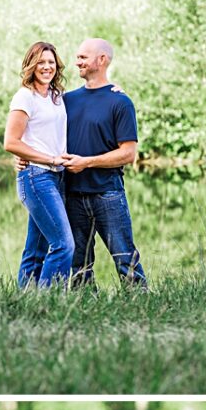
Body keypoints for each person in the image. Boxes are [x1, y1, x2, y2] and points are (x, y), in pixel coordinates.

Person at [62, 37, 147, 288]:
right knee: (79, 264)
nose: (77, 62)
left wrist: (87, 162)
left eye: (83, 57)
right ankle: (84, 309)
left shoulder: (120, 102)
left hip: (107, 194)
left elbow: (128, 154)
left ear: (102, 60)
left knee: (125, 259)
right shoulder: (67, 100)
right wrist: (21, 157)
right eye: (77, 57)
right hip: (72, 195)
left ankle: (141, 305)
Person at [2, 40, 75, 289]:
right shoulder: (25, 96)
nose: (46, 67)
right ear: (31, 65)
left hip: (57, 178)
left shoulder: (57, 97)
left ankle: (25, 302)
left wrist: (111, 89)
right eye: (41, 62)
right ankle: (49, 300)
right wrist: (49, 158)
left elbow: (89, 98)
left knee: (37, 248)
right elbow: (11, 142)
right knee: (64, 244)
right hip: (36, 177)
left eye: (51, 62)